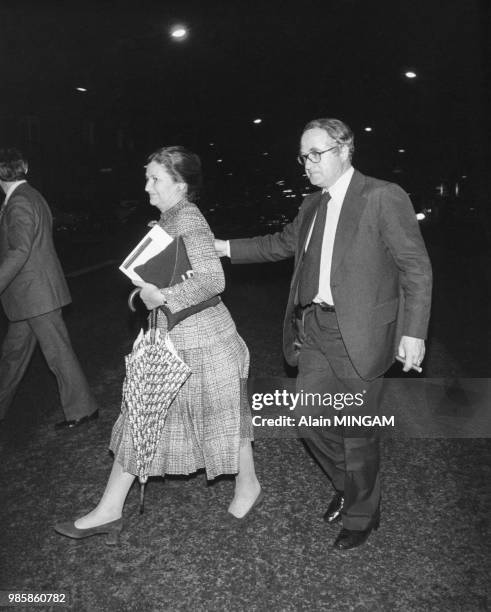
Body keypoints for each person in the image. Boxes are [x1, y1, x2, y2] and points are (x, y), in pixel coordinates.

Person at [215, 118, 432, 550]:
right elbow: (279, 244)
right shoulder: (311, 205)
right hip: (314, 328)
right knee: (306, 417)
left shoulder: (382, 196)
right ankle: (352, 484)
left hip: (364, 332)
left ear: (345, 149)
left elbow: (416, 267)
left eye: (317, 153)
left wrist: (414, 332)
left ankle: (362, 514)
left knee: (357, 430)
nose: (307, 163)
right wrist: (221, 248)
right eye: (303, 155)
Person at [55, 146, 261, 542]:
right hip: (177, 338)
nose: (147, 187)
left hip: (205, 341)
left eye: (155, 179)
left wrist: (163, 297)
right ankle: (110, 508)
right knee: (144, 414)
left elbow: (213, 281)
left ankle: (247, 485)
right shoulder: (170, 217)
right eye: (147, 177)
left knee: (222, 417)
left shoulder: (188, 220)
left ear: (180, 185)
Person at [0, 148, 99, 429]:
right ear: (24, 168)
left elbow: (19, 251)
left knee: (57, 352)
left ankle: (82, 409)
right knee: (13, 355)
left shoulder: (18, 201)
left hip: (35, 295)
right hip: (29, 297)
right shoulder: (30, 195)